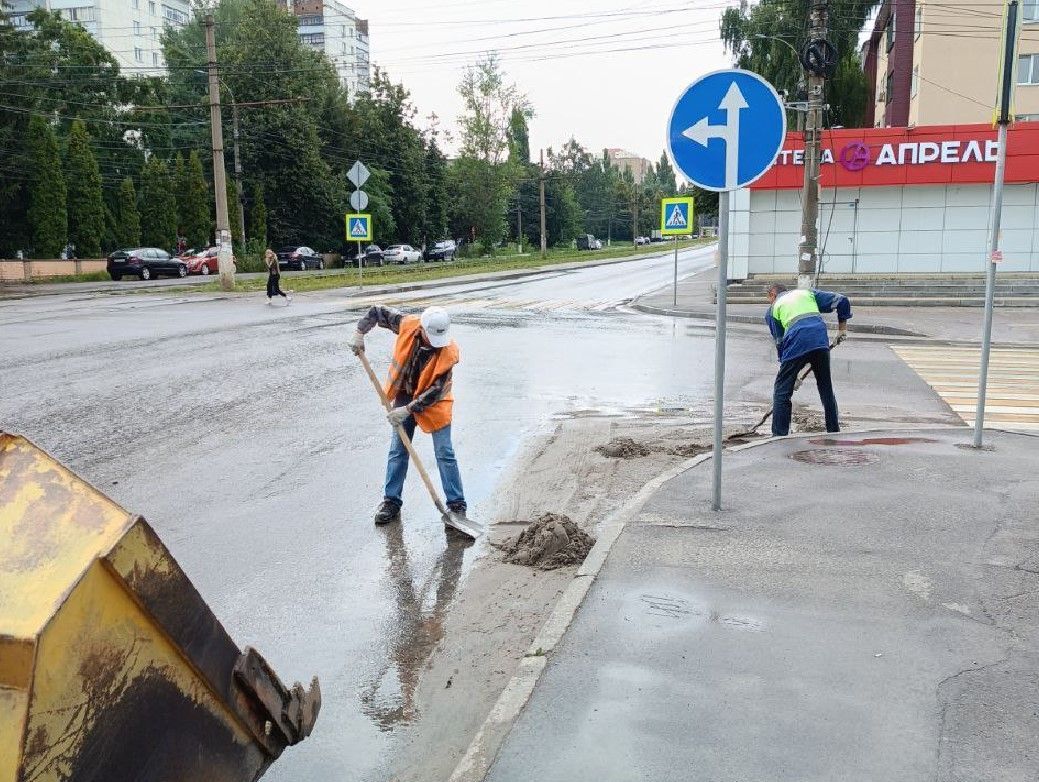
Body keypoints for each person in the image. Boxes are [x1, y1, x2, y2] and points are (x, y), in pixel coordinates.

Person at [350, 305, 466, 526]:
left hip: (435, 402)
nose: (434, 342)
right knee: (398, 449)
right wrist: (359, 332)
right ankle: (391, 501)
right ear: (422, 328)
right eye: (430, 337)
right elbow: (377, 311)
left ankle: (457, 505)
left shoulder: (448, 352)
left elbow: (435, 391)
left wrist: (407, 410)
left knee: (444, 452)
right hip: (405, 394)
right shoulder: (408, 324)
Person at [765, 283, 851, 436]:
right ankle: (833, 430)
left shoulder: (773, 309)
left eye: (769, 299)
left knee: (781, 391)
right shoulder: (806, 294)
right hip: (820, 340)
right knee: (826, 388)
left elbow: (780, 342)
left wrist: (791, 374)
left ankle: (779, 435)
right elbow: (842, 300)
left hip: (796, 342)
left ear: (772, 295)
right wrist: (842, 329)